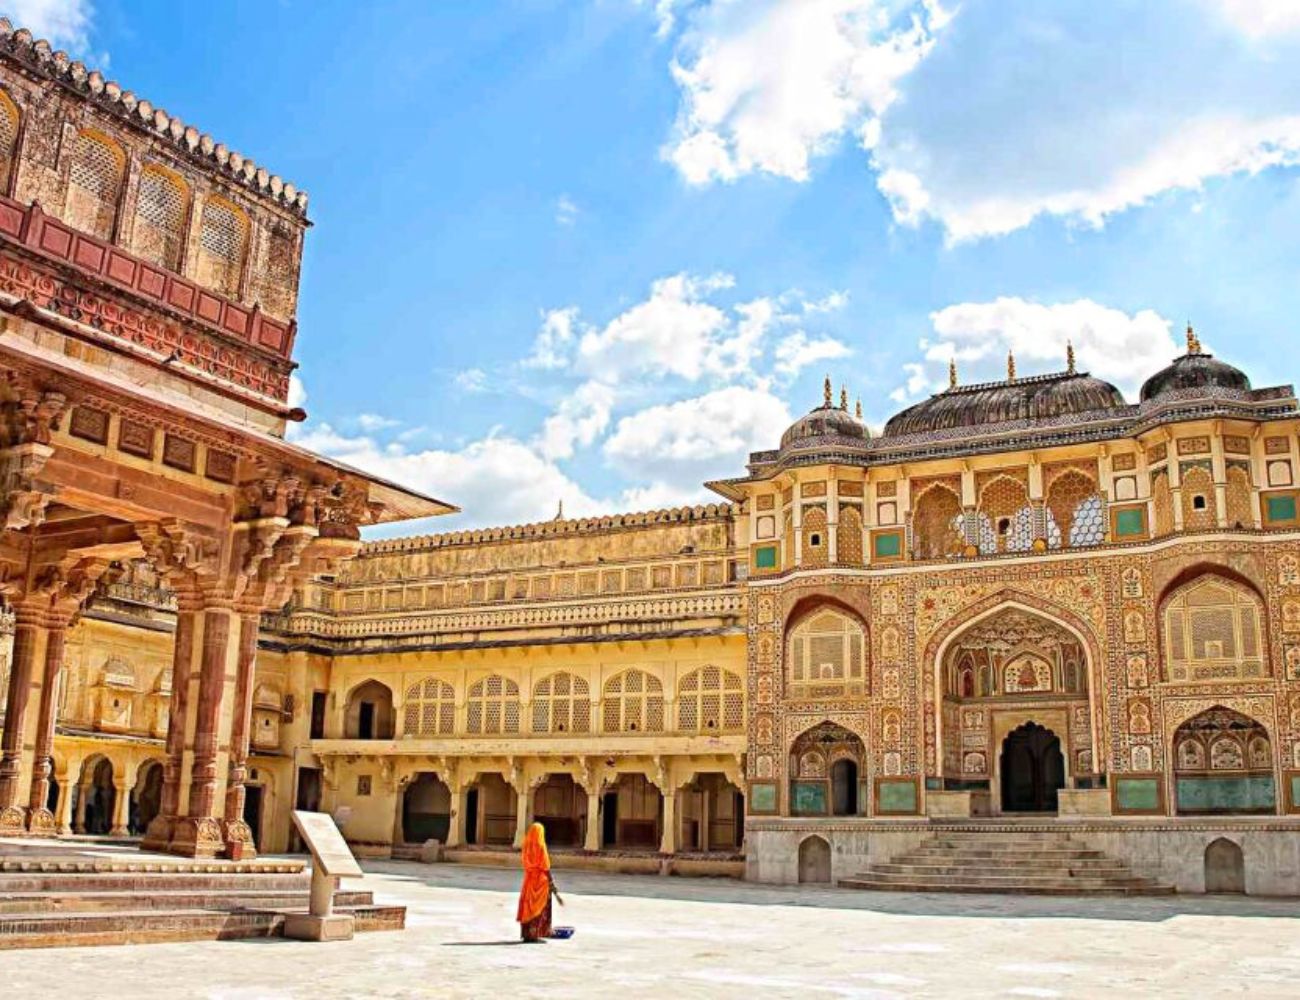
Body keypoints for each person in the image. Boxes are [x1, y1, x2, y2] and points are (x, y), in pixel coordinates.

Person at [517, 822, 554, 942]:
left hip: (529, 881)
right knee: (539, 907)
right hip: (540, 882)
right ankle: (536, 933)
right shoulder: (540, 846)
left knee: (528, 906)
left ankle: (527, 934)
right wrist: (551, 881)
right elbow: (546, 866)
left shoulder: (526, 846)